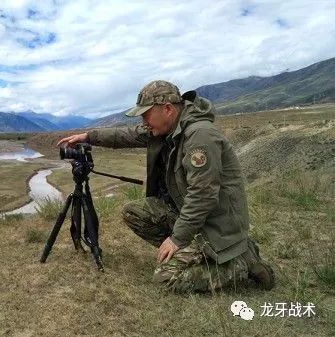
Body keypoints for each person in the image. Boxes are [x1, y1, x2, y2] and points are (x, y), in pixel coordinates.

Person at [56, 80, 275, 293]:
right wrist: (88, 137)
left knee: (166, 278)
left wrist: (177, 239)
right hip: (193, 218)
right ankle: (195, 253)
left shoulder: (200, 136)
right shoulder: (167, 129)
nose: (143, 121)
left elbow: (203, 196)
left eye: (146, 114)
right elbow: (127, 135)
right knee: (135, 213)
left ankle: (241, 263)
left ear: (168, 109)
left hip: (216, 226)